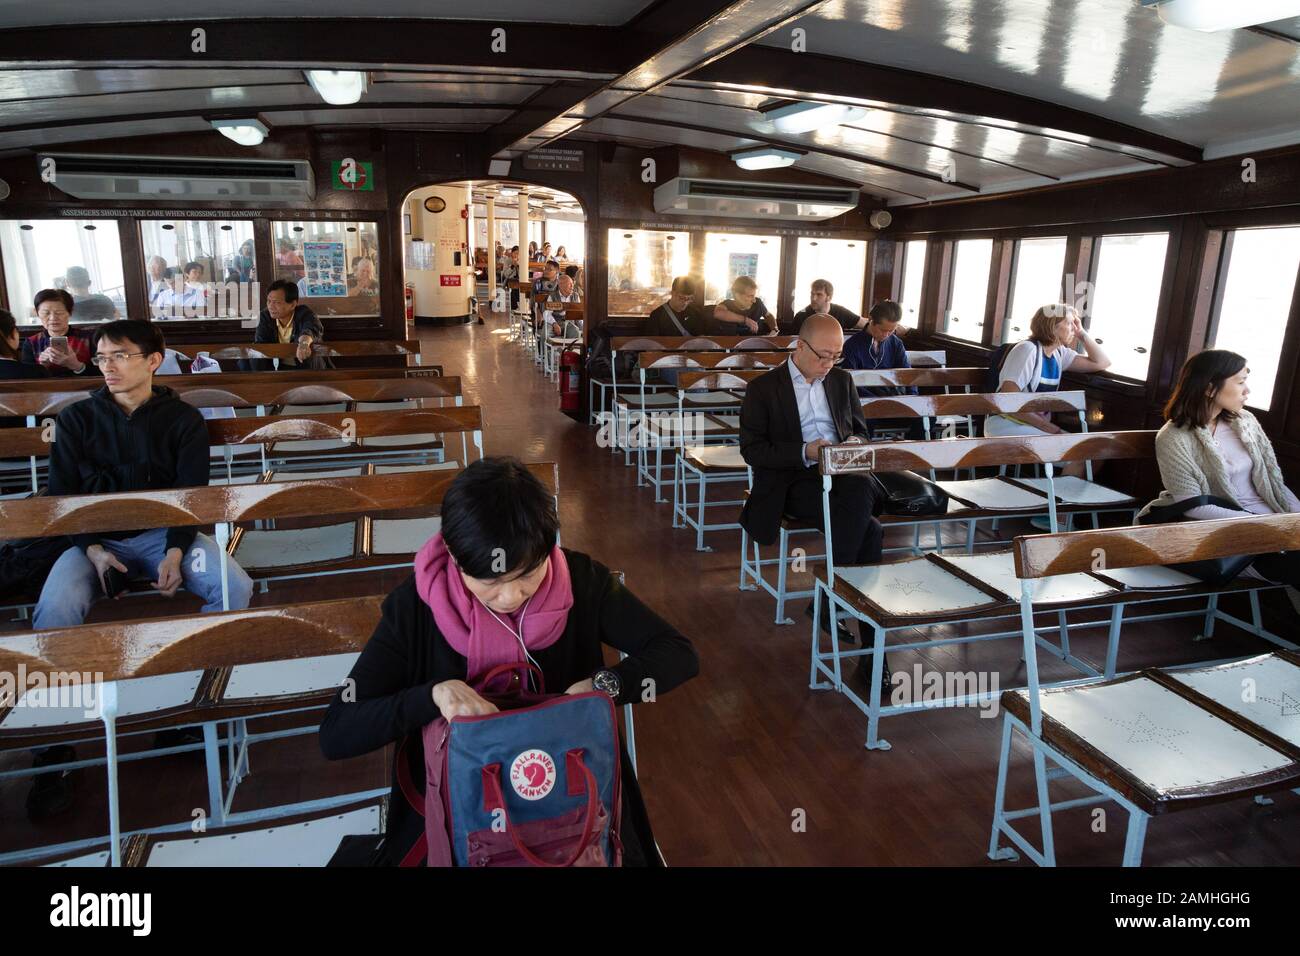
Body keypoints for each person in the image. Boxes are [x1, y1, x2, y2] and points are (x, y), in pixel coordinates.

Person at [318, 456, 699, 866]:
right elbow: (338, 732)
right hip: (459, 811)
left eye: (528, 574)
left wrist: (606, 685)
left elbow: (678, 653)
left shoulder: (582, 581)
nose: (511, 597)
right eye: (491, 581)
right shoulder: (415, 609)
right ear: (453, 553)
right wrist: (434, 697)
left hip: (575, 804)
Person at [26, 320, 255, 820]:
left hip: (163, 537)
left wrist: (175, 551)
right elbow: (61, 498)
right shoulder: (78, 420)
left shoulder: (181, 420)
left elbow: (191, 496)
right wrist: (90, 549)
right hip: (95, 543)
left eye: (120, 356)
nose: (108, 366)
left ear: (153, 360)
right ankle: (54, 747)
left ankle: (193, 706)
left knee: (234, 586)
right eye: (102, 357)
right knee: (55, 609)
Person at [738, 314, 888, 688]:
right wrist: (805, 450)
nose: (829, 364)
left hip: (841, 475)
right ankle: (863, 643)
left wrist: (852, 444)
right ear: (799, 347)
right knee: (868, 522)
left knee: (866, 515)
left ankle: (839, 614)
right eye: (824, 356)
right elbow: (753, 451)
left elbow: (859, 428)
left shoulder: (841, 380)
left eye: (836, 356)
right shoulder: (764, 388)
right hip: (792, 480)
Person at [1138, 350, 1300, 598]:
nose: (1247, 391)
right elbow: (1192, 506)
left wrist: (1295, 517)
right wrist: (1264, 525)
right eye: (1240, 381)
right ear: (1210, 388)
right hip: (1231, 537)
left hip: (1273, 527)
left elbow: (1273, 481)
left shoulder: (1246, 421)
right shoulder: (1173, 437)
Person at [987, 304, 1110, 480]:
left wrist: (1082, 334)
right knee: (1079, 455)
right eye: (1069, 324)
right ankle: (1057, 505)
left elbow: (1102, 362)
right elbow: (1009, 401)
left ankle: (1061, 502)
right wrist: (1050, 428)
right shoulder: (1027, 350)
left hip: (1036, 427)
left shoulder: (1060, 353)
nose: (1073, 329)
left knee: (1097, 451)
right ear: (1052, 326)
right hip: (1008, 424)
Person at [842, 300, 923, 440]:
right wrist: (878, 401)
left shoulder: (896, 343)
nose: (886, 335)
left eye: (891, 331)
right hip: (867, 403)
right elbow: (849, 383)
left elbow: (907, 374)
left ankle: (911, 452)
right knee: (865, 418)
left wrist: (912, 399)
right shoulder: (852, 345)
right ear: (871, 321)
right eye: (883, 330)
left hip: (893, 401)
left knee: (926, 416)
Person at [251, 279, 326, 370]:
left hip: (307, 370)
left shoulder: (304, 313)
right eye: (269, 301)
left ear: (293, 305)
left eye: (277, 302)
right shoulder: (265, 317)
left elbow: (311, 328)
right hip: (279, 370)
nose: (270, 306)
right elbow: (261, 344)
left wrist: (304, 343)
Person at [20, 289, 96, 377]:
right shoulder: (31, 342)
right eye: (46, 313)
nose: (53, 318)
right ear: (38, 314)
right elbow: (27, 379)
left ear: (70, 312)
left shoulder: (89, 338)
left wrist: (77, 366)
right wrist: (42, 366)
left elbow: (102, 373)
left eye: (59, 313)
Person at [643, 276, 709, 337]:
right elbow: (653, 345)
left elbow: (701, 340)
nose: (685, 302)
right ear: (672, 293)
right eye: (681, 298)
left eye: (689, 298)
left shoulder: (695, 314)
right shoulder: (657, 316)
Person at [793, 279, 865, 334]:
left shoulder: (840, 312)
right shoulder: (801, 316)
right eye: (812, 294)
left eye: (819, 295)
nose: (813, 298)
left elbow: (865, 324)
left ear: (829, 297)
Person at [544, 273, 582, 337]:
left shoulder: (575, 296)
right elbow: (547, 313)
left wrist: (583, 327)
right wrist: (554, 324)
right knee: (545, 333)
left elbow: (578, 314)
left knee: (575, 332)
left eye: (572, 284)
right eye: (570, 284)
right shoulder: (552, 296)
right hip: (555, 322)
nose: (572, 286)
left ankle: (569, 347)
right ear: (561, 285)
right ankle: (545, 347)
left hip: (569, 323)